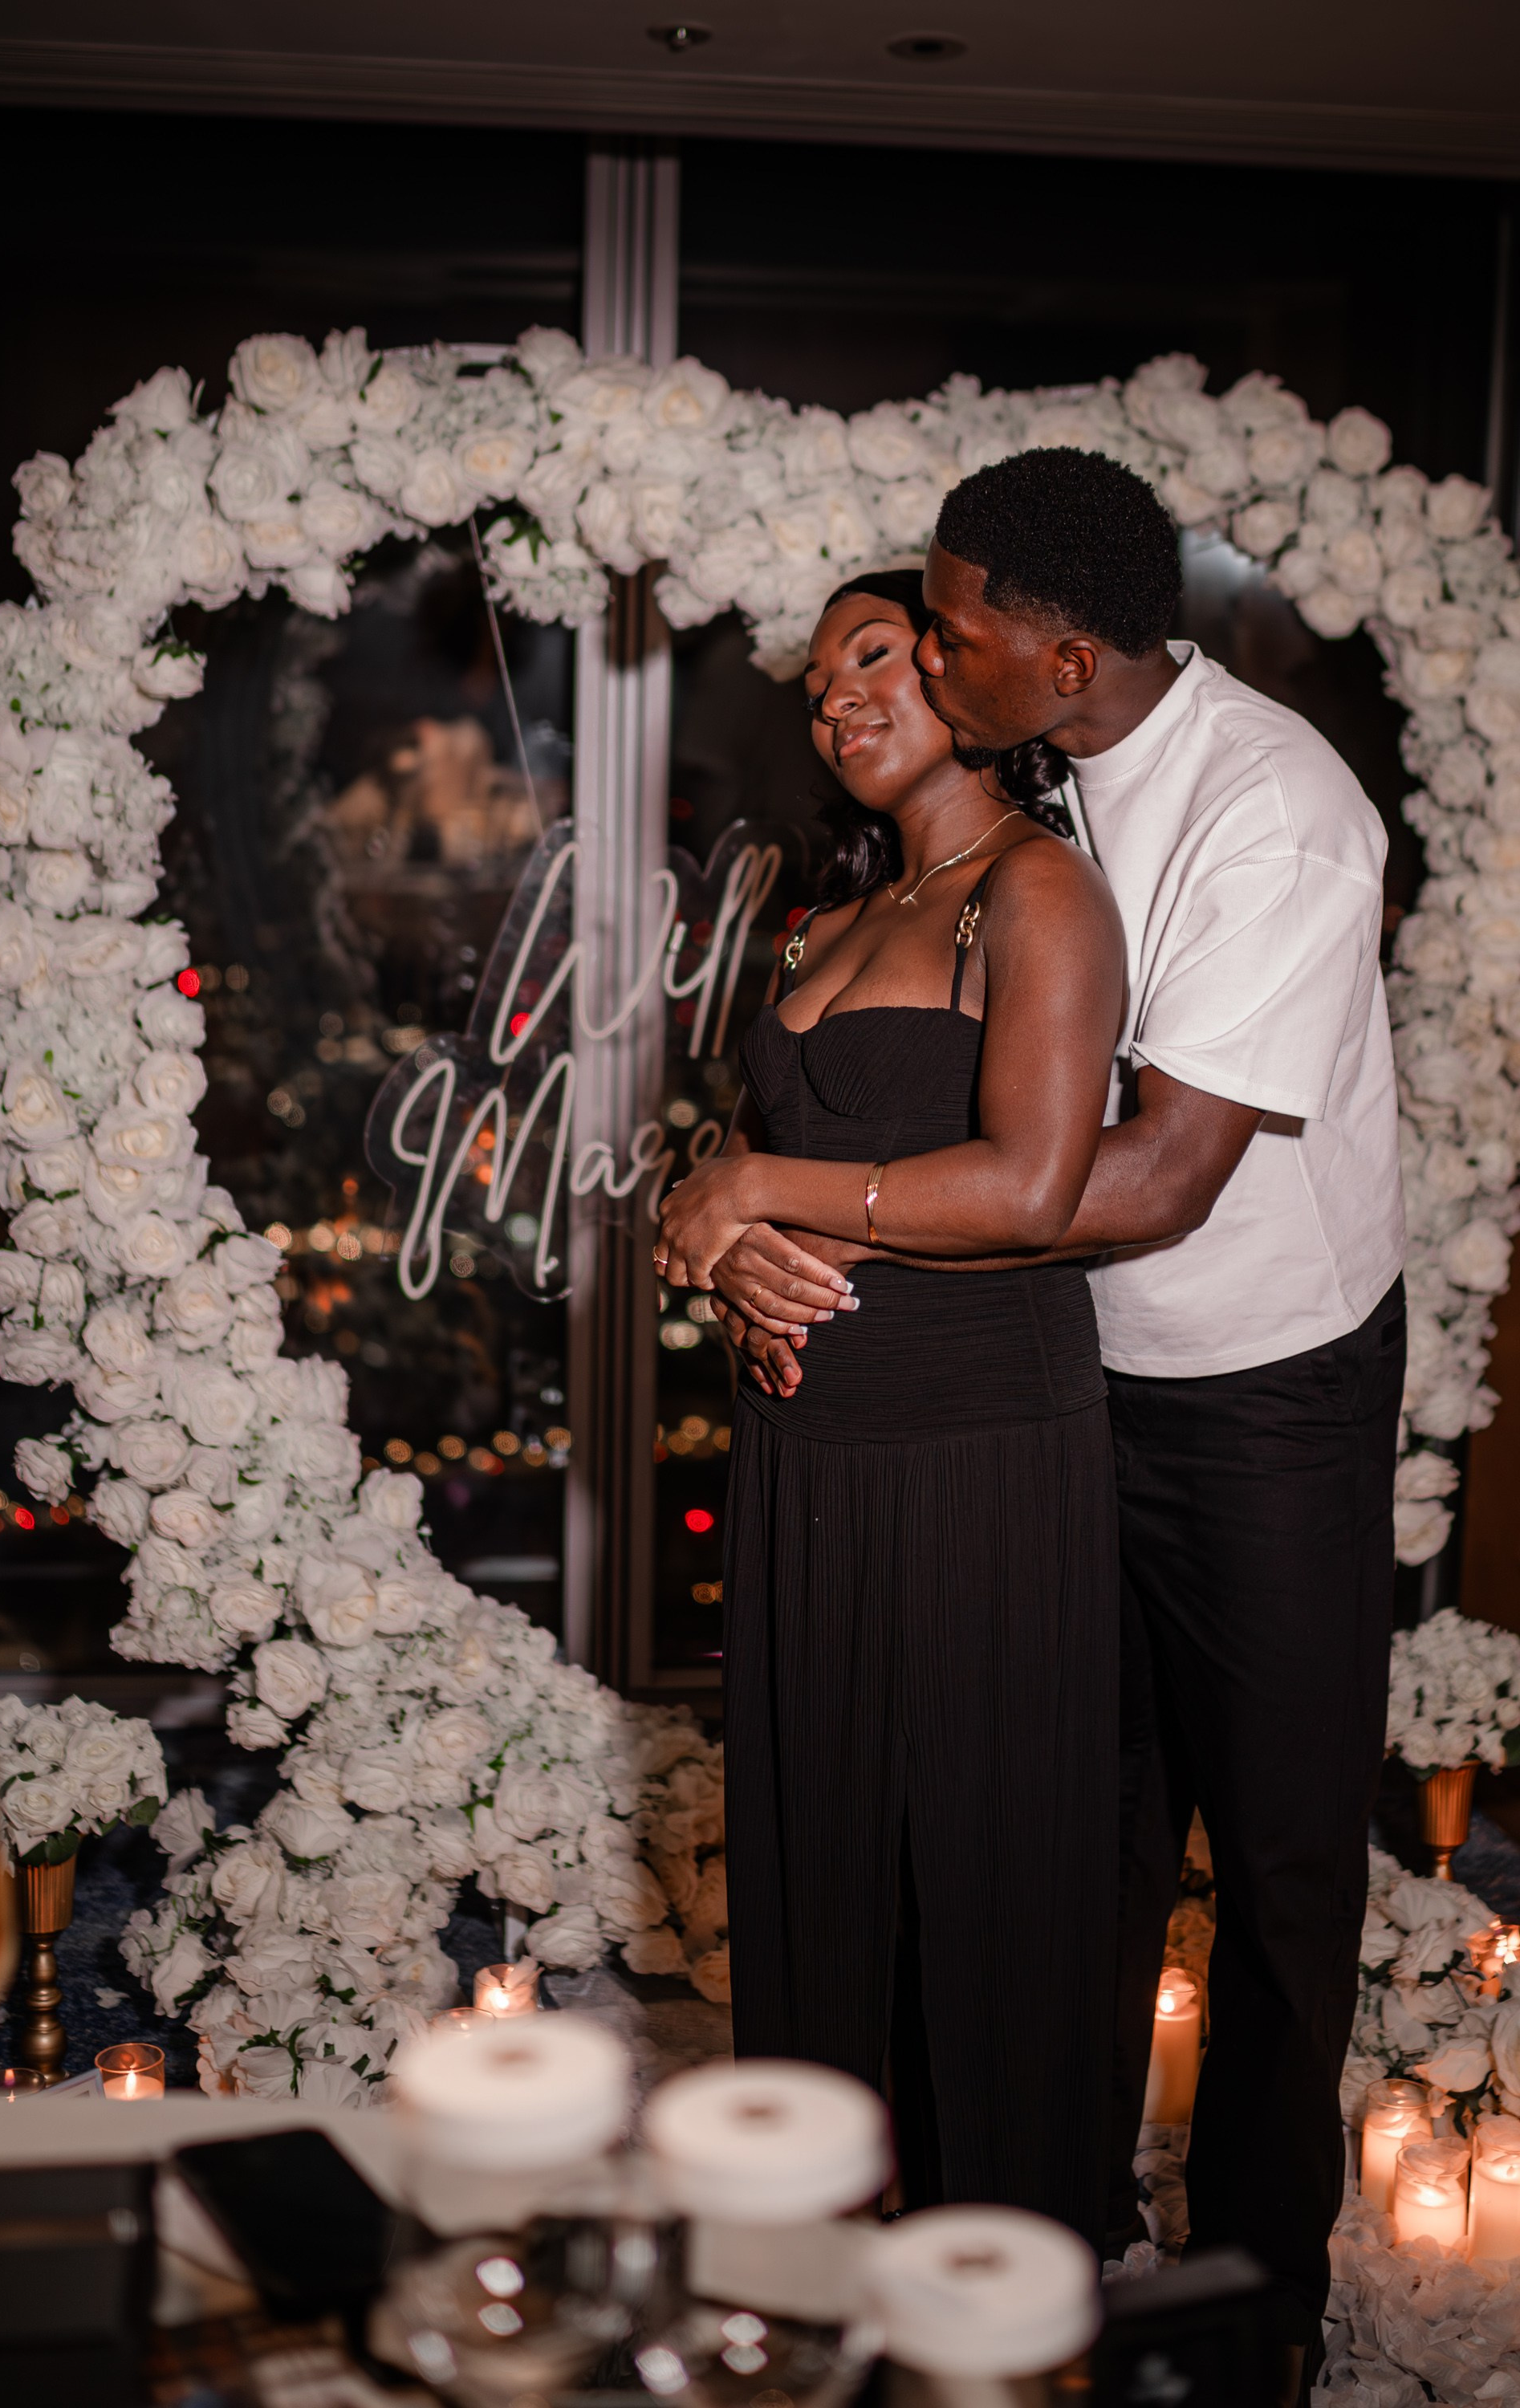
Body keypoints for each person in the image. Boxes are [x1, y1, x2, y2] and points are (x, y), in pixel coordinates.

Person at [713, 451, 1406, 2363]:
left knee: (1268, 1865)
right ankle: (1046, 2231)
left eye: (947, 631)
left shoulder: (1273, 813)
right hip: (1068, 1378)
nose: (924, 661)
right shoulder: (1041, 787)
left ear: (1062, 651)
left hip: (1262, 1389)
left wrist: (793, 1226)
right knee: (1070, 1843)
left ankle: (1247, 2312)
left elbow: (1142, 1181)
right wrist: (767, 1242)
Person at [656, 568, 1128, 2244]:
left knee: (986, 1900)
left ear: (960, 673)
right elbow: (742, 1214)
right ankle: (802, 2273)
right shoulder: (820, 924)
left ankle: (999, 2295)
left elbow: (1027, 1189)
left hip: (979, 1463)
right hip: (806, 1465)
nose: (835, 699)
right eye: (814, 683)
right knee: (820, 1889)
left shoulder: (1038, 890)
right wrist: (729, 1264)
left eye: (875, 659)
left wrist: (752, 1183)